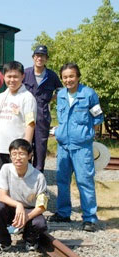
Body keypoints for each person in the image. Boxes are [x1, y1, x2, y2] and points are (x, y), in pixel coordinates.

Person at [49, 63, 104, 232]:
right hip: (63, 146)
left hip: (82, 147)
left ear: (78, 76)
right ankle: (64, 213)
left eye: (71, 76)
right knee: (62, 181)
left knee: (84, 181)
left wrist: (86, 135)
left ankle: (90, 219)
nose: (68, 80)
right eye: (65, 77)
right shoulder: (61, 94)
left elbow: (97, 118)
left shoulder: (88, 94)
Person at [0, 139, 48, 254]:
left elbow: (42, 206)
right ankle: (3, 242)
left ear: (30, 155)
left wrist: (27, 217)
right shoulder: (6, 169)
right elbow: (2, 196)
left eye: (22, 154)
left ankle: (30, 239)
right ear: (10, 156)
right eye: (14, 154)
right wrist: (18, 205)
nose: (17, 158)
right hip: (12, 208)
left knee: (40, 224)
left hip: (30, 210)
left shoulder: (39, 176)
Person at [0, 61, 37, 173]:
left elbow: (30, 125)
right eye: (9, 76)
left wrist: (25, 149)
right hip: (1, 149)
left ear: (22, 77)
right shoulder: (1, 97)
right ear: (3, 76)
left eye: (15, 77)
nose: (12, 80)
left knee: (20, 183)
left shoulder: (27, 98)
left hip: (18, 152)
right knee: (3, 183)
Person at [23, 45, 62, 172]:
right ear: (33, 58)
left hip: (42, 114)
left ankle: (38, 175)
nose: (40, 58)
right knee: (25, 143)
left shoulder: (51, 75)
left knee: (40, 146)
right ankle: (25, 172)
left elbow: (61, 90)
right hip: (25, 113)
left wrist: (50, 99)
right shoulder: (25, 73)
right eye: (37, 56)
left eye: (43, 56)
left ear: (46, 59)